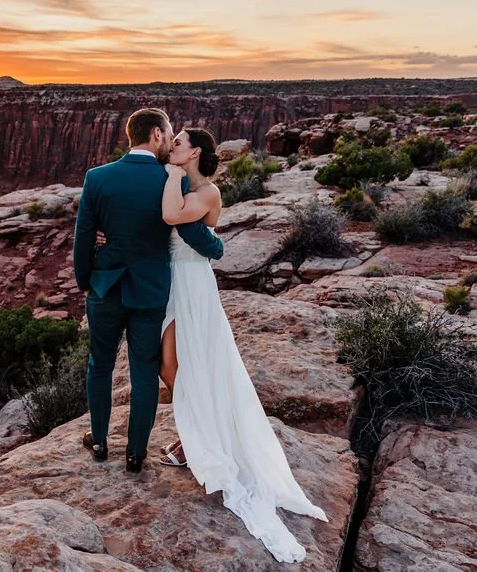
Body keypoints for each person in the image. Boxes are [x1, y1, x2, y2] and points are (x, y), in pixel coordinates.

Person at [155, 127, 328, 563]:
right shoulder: (173, 179)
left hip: (193, 283)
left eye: (177, 143)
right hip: (170, 282)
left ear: (194, 150)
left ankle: (193, 439)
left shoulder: (208, 191)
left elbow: (174, 218)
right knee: (168, 363)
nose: (170, 146)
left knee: (200, 363)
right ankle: (196, 431)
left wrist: (173, 176)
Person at [72, 108, 224, 475]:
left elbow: (83, 238)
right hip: (152, 288)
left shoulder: (98, 177)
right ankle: (135, 453)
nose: (170, 141)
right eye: (168, 133)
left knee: (100, 364)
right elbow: (190, 232)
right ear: (155, 134)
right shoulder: (171, 180)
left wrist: (86, 280)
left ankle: (100, 440)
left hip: (106, 286)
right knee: (143, 369)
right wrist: (217, 247)